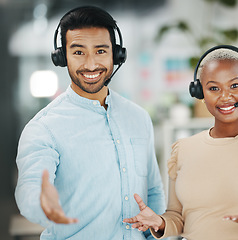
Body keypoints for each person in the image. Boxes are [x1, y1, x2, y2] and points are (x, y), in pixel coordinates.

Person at [15, 6, 165, 240]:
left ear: (116, 54)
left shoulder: (138, 117)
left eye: (101, 51)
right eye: (78, 52)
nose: (91, 64)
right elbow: (31, 188)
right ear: (62, 56)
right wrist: (40, 201)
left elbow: (153, 191)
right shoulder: (43, 128)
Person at [123, 45, 238, 239]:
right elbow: (179, 217)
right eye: (214, 88)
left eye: (235, 85)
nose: (225, 96)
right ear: (200, 92)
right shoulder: (183, 150)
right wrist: (161, 222)